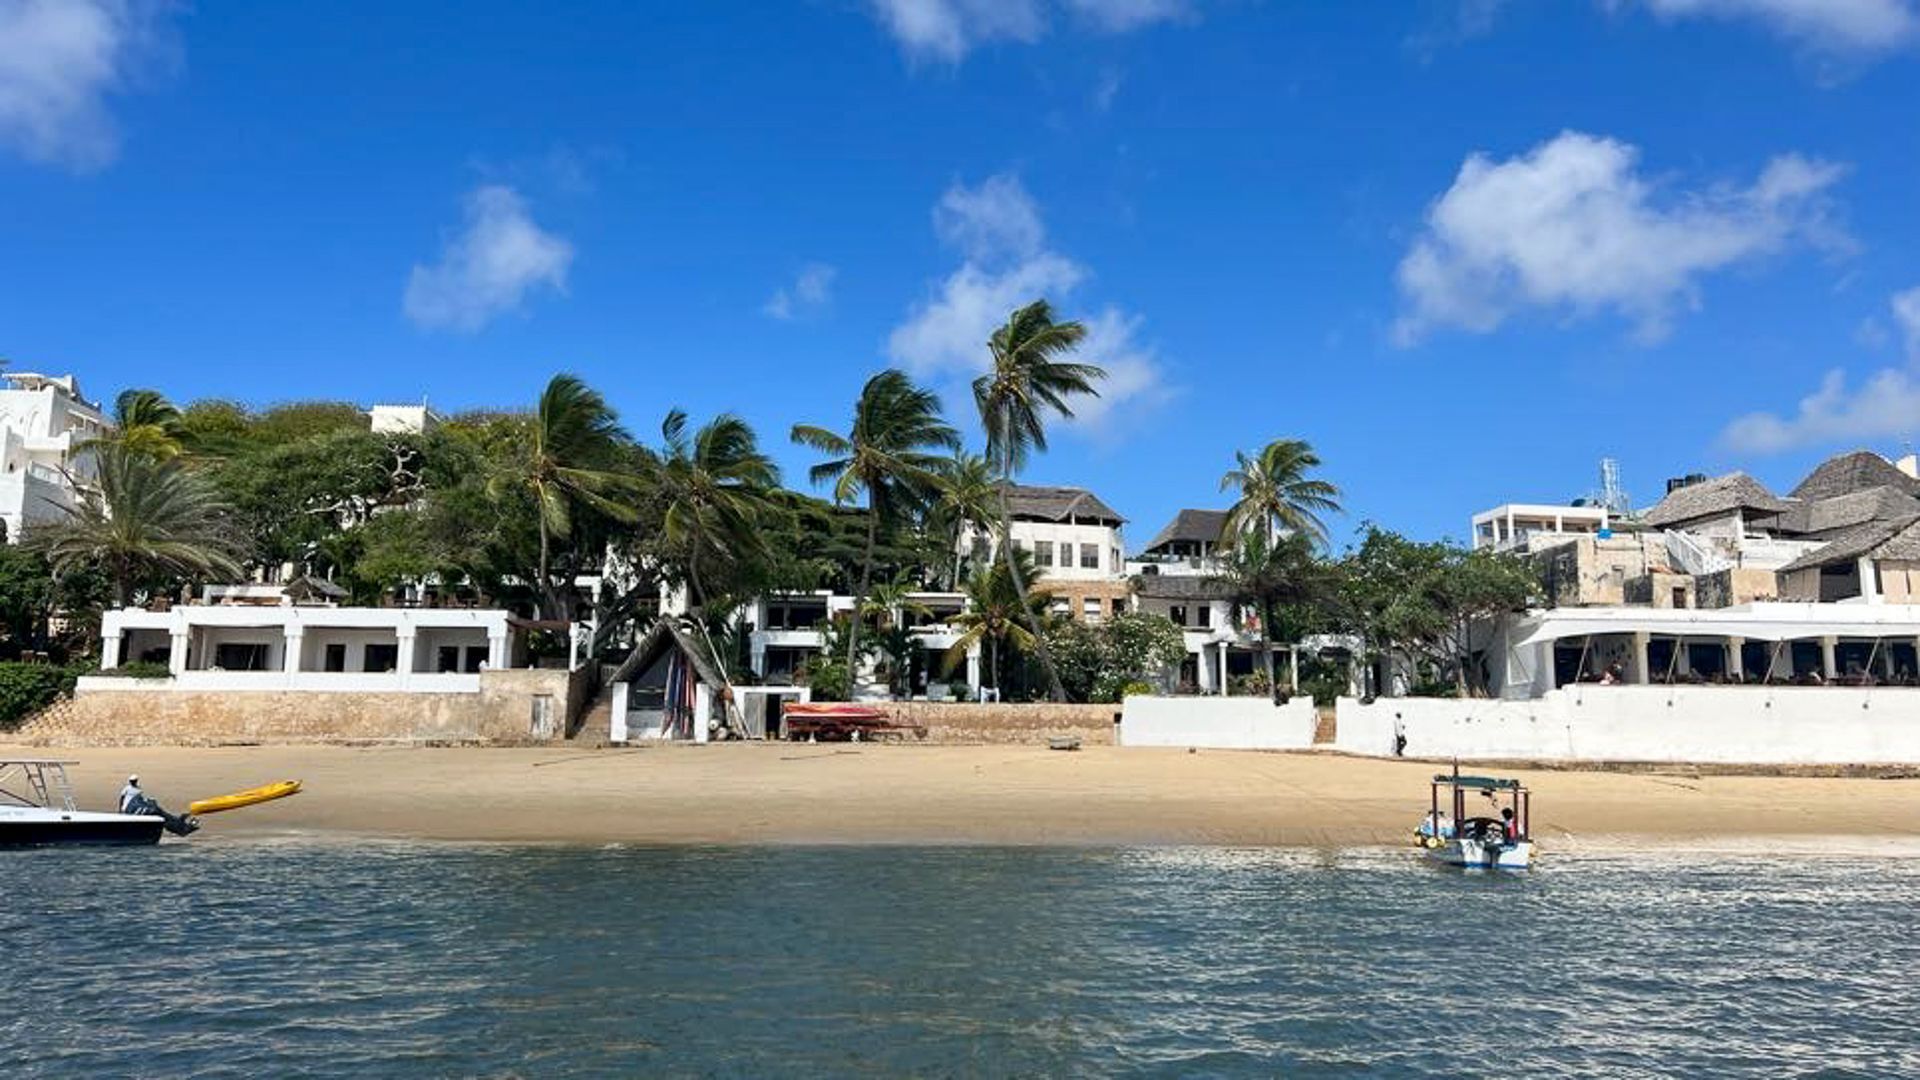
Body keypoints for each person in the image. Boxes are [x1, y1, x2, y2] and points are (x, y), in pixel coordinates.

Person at [118, 774, 198, 836]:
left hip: (137, 806)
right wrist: (120, 809)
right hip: (131, 808)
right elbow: (122, 798)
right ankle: (180, 826)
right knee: (157, 811)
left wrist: (150, 802)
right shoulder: (127, 788)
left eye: (134, 780)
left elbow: (140, 799)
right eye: (132, 781)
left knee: (159, 810)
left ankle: (178, 821)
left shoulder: (138, 789)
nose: (133, 782)